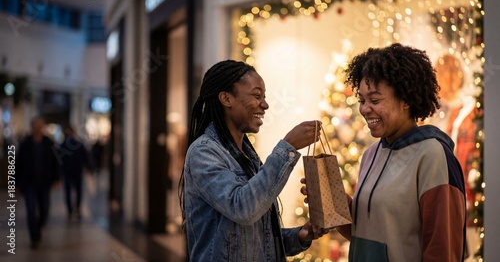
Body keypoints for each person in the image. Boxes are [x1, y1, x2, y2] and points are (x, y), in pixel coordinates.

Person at [302, 43, 466, 261]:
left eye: (375, 100)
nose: (364, 109)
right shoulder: (371, 154)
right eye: (362, 100)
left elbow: (442, 249)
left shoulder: (433, 155)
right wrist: (334, 201)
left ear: (406, 99)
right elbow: (365, 233)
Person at [179, 59, 329, 261]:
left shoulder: (247, 155)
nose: (265, 105)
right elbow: (242, 208)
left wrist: (298, 235)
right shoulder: (203, 153)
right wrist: (288, 147)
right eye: (257, 96)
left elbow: (255, 239)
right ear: (226, 98)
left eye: (264, 97)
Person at [17, 117, 60, 249]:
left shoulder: (48, 143)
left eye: (40, 126)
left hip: (44, 183)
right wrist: (16, 184)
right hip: (29, 183)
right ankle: (34, 237)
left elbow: (56, 161)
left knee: (44, 210)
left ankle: (38, 227)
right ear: (32, 127)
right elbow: (18, 164)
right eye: (36, 126)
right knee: (30, 211)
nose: (38, 128)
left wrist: (56, 178)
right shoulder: (25, 144)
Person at [59, 124, 93, 220]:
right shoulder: (78, 144)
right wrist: (89, 167)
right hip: (76, 170)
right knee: (78, 190)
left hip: (68, 171)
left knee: (68, 191)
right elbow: (85, 157)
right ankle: (77, 208)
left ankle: (70, 210)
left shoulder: (63, 145)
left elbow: (58, 160)